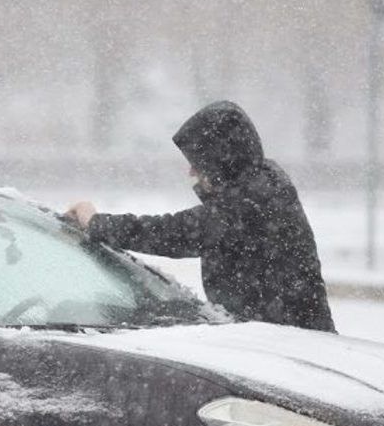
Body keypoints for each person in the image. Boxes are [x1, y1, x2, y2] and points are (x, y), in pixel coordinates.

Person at [66, 100, 336, 332]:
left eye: (199, 161)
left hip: (286, 353)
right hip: (284, 345)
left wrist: (94, 222)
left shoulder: (251, 203)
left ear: (222, 160)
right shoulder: (261, 188)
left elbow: (173, 232)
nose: (191, 172)